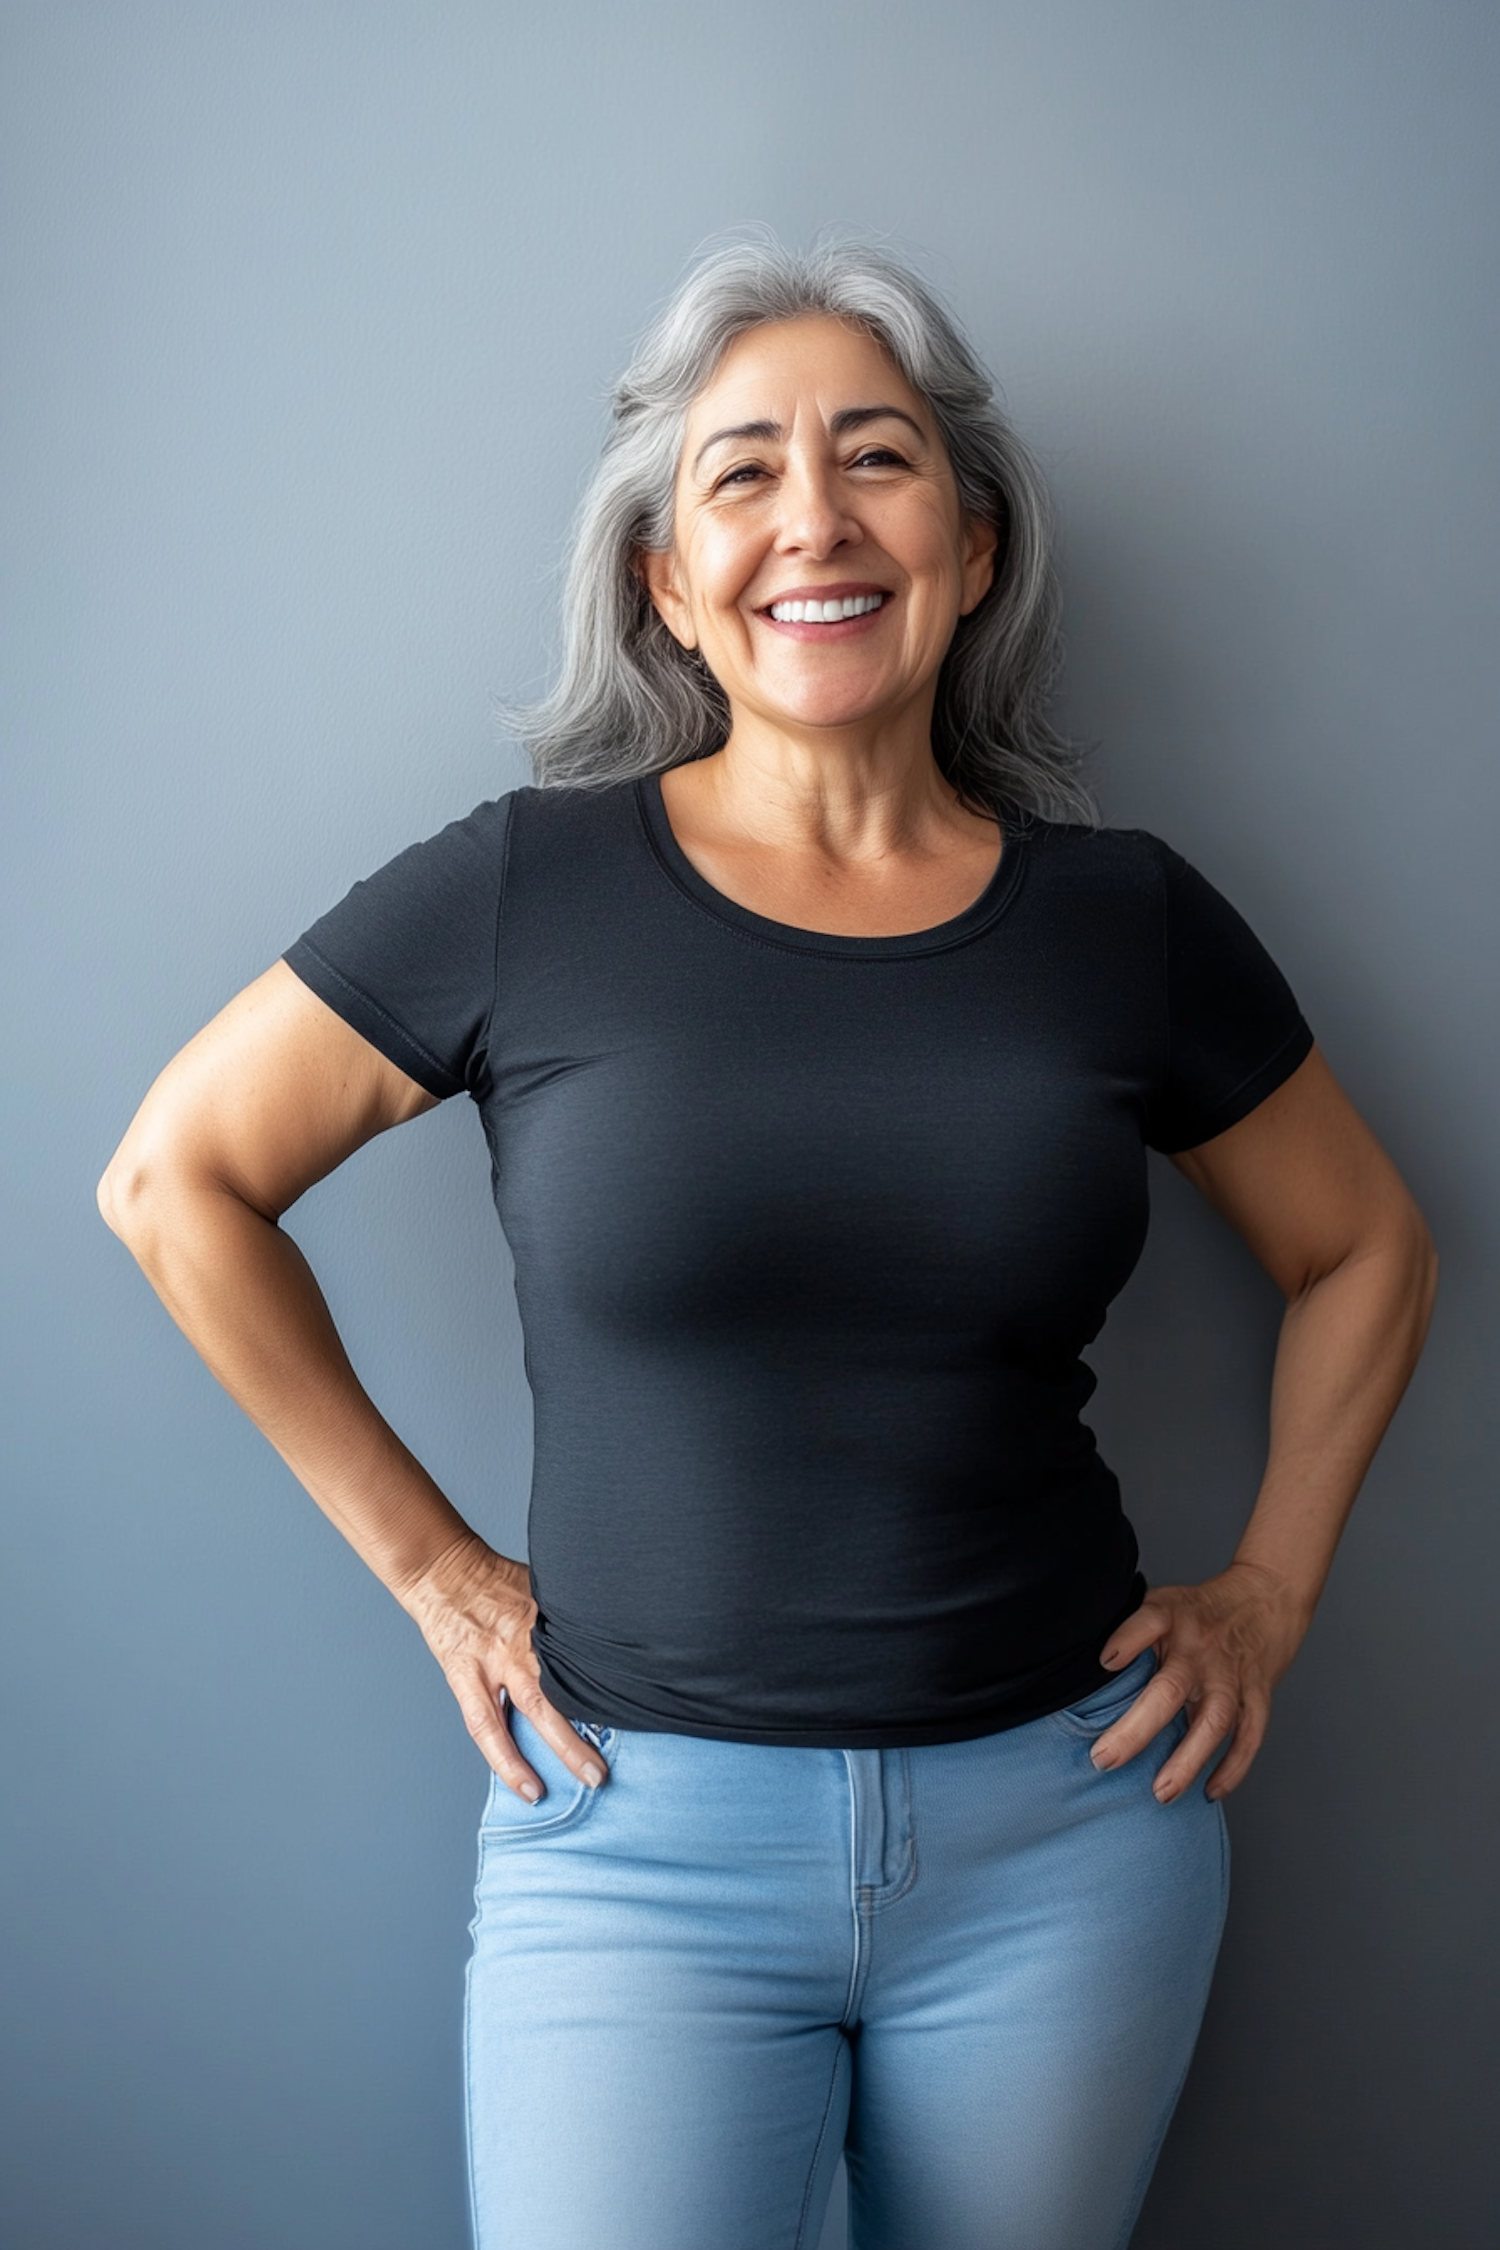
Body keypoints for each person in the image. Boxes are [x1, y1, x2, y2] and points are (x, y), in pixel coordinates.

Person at [98, 237, 1436, 2250]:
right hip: (637, 1850)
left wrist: (1271, 1591)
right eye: (741, 471)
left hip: (1069, 1838)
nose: (813, 518)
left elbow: (1370, 1250)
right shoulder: (523, 891)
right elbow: (171, 1182)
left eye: (876, 458)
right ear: (666, 580)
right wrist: (433, 1569)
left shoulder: (1120, 920)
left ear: (972, 549)